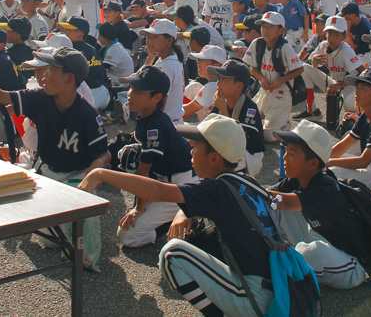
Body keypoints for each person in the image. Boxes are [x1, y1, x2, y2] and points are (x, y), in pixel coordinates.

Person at [79, 114, 280, 317]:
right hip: (277, 288)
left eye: (196, 146)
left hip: (255, 298)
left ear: (214, 158)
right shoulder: (246, 181)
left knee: (172, 255)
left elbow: (159, 191)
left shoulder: (215, 189)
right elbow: (272, 203)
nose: (191, 151)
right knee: (200, 240)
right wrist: (184, 214)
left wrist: (101, 174)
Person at [0, 47, 109, 270]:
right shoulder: (40, 98)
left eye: (51, 69)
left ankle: (82, 246)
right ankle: (64, 226)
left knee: (84, 247)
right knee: (48, 240)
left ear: (68, 78)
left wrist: (94, 174)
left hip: (76, 176)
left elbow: (104, 153)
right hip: (48, 171)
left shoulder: (87, 114)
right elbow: (4, 96)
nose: (43, 75)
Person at [270, 120, 369, 289]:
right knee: (271, 207)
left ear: (313, 163)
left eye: (292, 153)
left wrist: (242, 188)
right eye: (286, 149)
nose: (285, 156)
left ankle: (278, 273)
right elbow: (270, 197)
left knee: (312, 252)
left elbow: (279, 200)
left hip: (349, 265)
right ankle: (289, 262)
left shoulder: (325, 188)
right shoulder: (298, 178)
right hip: (322, 240)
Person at [112, 66, 195, 248]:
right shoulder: (146, 116)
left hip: (180, 186)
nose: (130, 94)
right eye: (132, 88)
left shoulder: (155, 124)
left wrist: (139, 208)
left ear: (157, 97)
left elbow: (144, 170)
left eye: (139, 91)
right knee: (127, 153)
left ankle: (181, 219)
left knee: (127, 236)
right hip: (164, 181)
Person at [247, 10, 304, 141]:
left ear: (281, 31)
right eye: (263, 26)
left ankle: (284, 125)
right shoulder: (257, 44)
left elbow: (300, 69)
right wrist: (261, 79)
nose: (265, 30)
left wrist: (281, 80)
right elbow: (253, 68)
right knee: (245, 121)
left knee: (268, 136)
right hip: (264, 92)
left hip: (281, 94)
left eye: (270, 27)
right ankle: (272, 121)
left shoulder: (285, 48)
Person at [206, 58, 265, 176]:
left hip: (249, 157)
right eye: (218, 78)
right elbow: (205, 128)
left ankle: (233, 181)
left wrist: (223, 110)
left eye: (224, 79)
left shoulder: (249, 107)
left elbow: (237, 139)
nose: (218, 83)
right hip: (232, 149)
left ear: (239, 86)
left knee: (224, 154)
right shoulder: (222, 101)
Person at [138, 19, 186, 124]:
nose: (150, 41)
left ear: (169, 40)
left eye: (155, 37)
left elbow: (160, 104)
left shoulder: (166, 66)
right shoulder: (170, 58)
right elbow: (140, 79)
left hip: (166, 124)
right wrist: (151, 57)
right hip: (172, 122)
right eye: (149, 37)